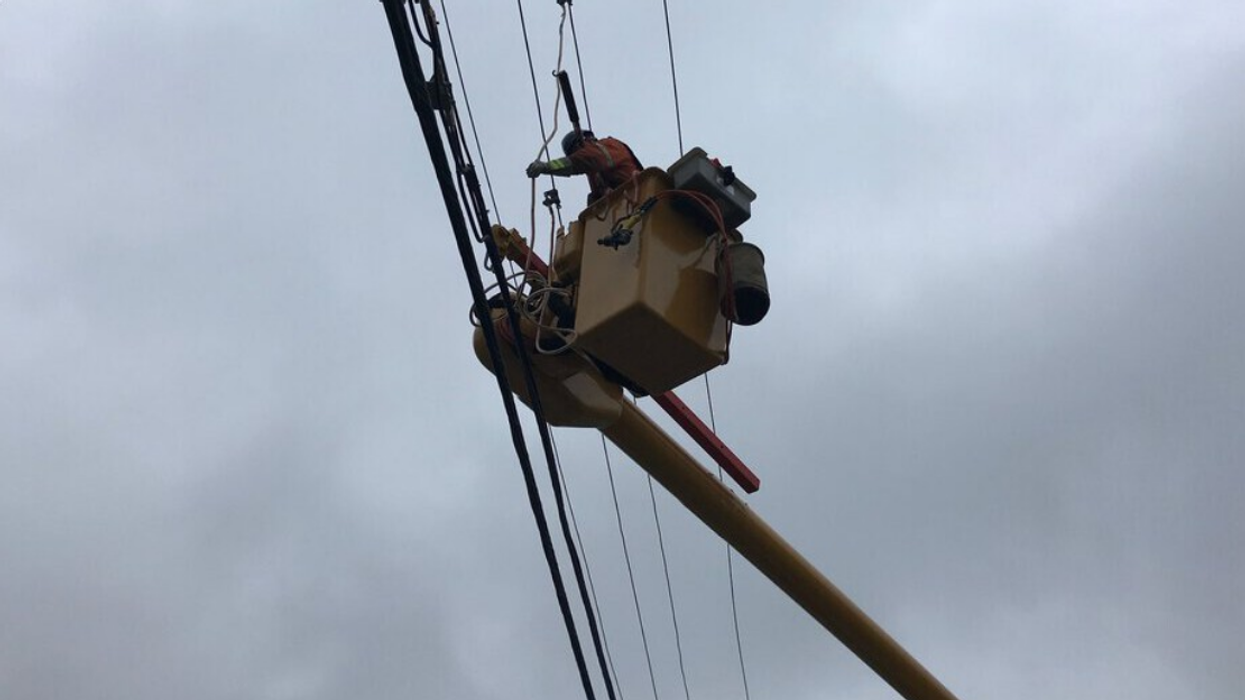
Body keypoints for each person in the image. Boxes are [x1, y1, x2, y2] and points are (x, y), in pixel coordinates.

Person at [526, 129, 643, 204]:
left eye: (576, 151)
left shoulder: (607, 145)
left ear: (586, 139)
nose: (578, 154)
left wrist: (546, 166)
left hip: (640, 195)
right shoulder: (594, 173)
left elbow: (583, 160)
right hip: (627, 206)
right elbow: (599, 193)